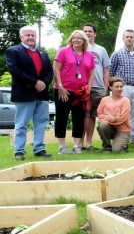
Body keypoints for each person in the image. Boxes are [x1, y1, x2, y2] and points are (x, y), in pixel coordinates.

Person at [6, 25, 54, 160]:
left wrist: (44, 83)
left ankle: (39, 148)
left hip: (42, 94)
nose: (30, 37)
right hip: (24, 93)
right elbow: (14, 70)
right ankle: (19, 151)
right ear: (21, 37)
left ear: (36, 37)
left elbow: (49, 71)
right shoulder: (13, 51)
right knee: (22, 123)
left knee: (41, 122)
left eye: (33, 35)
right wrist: (35, 83)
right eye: (27, 35)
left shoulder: (43, 53)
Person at [52, 30, 95, 154]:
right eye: (74, 38)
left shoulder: (89, 55)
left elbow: (91, 75)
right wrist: (60, 87)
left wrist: (89, 89)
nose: (76, 40)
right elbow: (56, 69)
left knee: (79, 118)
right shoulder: (63, 51)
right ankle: (62, 146)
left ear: (84, 41)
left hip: (80, 92)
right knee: (62, 117)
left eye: (79, 38)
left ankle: (77, 146)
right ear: (70, 39)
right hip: (63, 90)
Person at [109, 29, 134, 143]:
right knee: (121, 113)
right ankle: (120, 137)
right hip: (122, 88)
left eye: (131, 37)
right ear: (123, 39)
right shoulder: (117, 54)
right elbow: (111, 71)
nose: (129, 39)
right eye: (127, 37)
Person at [81, 23, 111, 151]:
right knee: (82, 115)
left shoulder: (101, 50)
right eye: (85, 31)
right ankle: (79, 143)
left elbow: (106, 70)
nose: (87, 33)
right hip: (81, 87)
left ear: (95, 34)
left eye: (90, 31)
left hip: (98, 87)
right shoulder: (78, 48)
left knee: (93, 115)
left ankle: (88, 143)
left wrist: (105, 87)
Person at [96, 77, 131, 153]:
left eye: (121, 87)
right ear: (110, 87)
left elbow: (123, 118)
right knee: (103, 125)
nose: (119, 89)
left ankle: (123, 144)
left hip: (122, 129)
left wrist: (110, 119)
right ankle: (106, 147)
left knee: (117, 151)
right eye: (116, 87)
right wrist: (109, 118)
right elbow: (99, 114)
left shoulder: (125, 100)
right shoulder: (104, 99)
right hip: (109, 126)